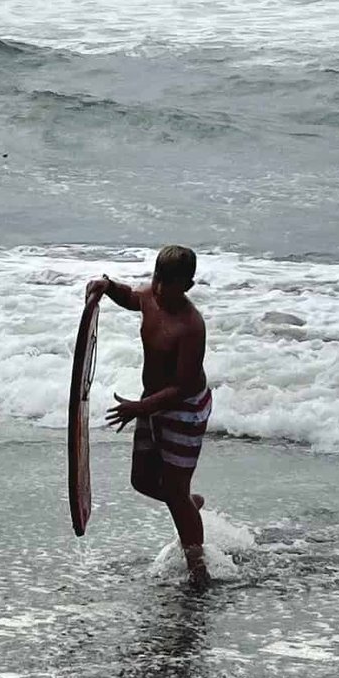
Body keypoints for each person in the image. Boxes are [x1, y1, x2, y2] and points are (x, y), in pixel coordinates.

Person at [86, 245, 214, 581]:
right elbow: (130, 296)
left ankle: (198, 568)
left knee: (173, 490)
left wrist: (138, 408)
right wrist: (107, 287)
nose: (158, 289)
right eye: (156, 278)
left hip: (184, 410)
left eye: (168, 283)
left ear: (186, 286)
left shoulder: (191, 326)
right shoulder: (150, 298)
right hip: (150, 403)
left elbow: (184, 387)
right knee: (141, 480)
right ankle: (188, 504)